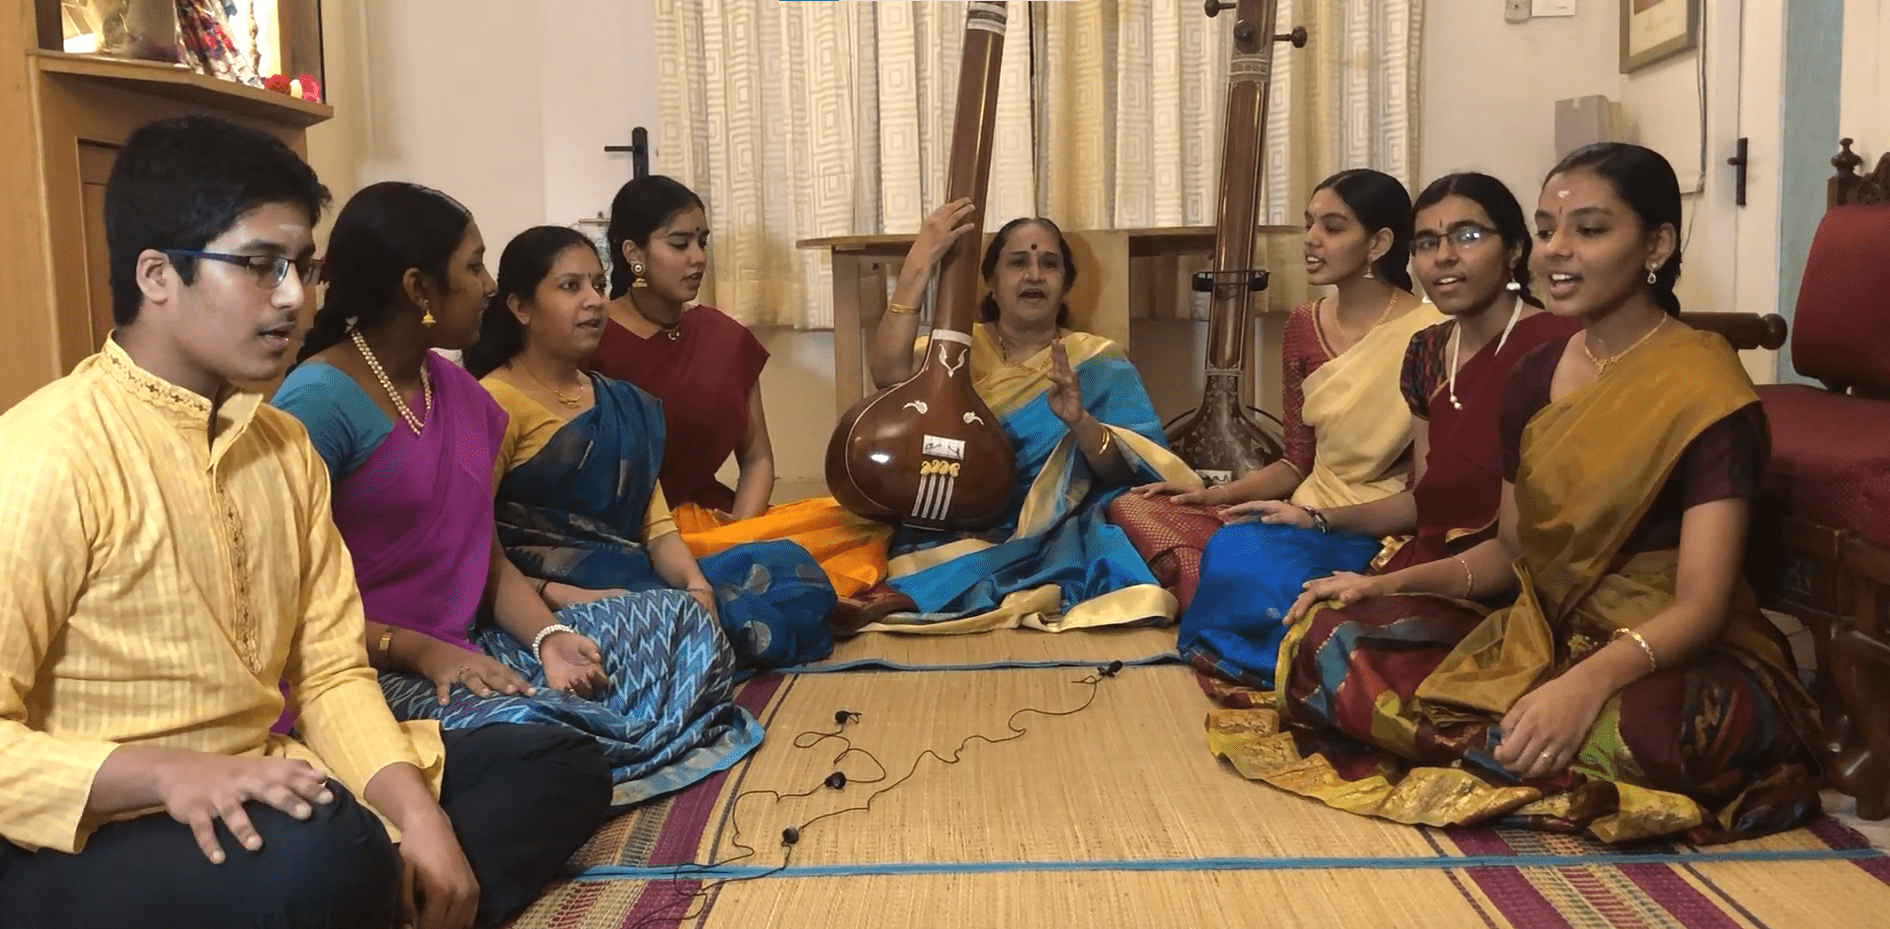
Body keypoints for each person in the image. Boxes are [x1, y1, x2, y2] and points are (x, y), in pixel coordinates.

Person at [0, 116, 613, 929]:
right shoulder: (40, 458)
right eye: (259, 266)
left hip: (267, 791)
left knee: (559, 763)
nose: (295, 299)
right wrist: (166, 772)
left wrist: (417, 817)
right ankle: (344, 922)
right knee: (325, 856)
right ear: (157, 275)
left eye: (303, 268)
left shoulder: (282, 452)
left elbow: (330, 673)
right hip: (64, 844)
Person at [1210, 144, 1820, 844]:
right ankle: (1526, 746)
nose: (1557, 250)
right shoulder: (1537, 374)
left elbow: (1703, 607)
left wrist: (1586, 683)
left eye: (1589, 230)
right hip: (1543, 629)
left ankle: (1516, 743)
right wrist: (1381, 585)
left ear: (1656, 245)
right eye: (1549, 228)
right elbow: (1508, 553)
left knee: (1645, 734)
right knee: (1331, 641)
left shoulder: (1704, 389)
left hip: (1662, 648)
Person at [274, 182, 758, 808]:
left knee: (681, 622)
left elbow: (488, 557)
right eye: (474, 267)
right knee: (534, 741)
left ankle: (591, 746)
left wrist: (548, 638)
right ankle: (588, 748)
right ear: (419, 289)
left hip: (476, 642)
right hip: (366, 670)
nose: (488, 287)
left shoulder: (456, 392)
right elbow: (281, 602)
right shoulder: (319, 401)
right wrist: (421, 652)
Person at [1177, 172, 1577, 694]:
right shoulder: (1429, 351)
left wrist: (1383, 581)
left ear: (1515, 249)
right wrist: (1315, 518)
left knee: (1335, 641)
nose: (1444, 256)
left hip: (1505, 580)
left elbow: (1527, 542)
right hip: (1422, 555)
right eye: (1427, 242)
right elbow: (1425, 499)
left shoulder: (1557, 349)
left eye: (1468, 236)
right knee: (1239, 548)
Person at [464, 225, 836, 669]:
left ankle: (694, 630)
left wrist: (697, 588)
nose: (594, 300)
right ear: (521, 308)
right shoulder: (492, 402)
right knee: (670, 619)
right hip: (547, 602)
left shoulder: (618, 399)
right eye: (571, 287)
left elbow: (656, 527)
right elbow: (473, 547)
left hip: (635, 576)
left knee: (790, 567)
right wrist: (563, 595)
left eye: (599, 285)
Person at [1111, 169, 1444, 613]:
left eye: (1332, 227)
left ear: (1378, 243)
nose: (1311, 239)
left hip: (1377, 528)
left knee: (1240, 557)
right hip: (1302, 511)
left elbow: (1428, 494)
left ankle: (1235, 590)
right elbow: (1295, 462)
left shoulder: (1434, 333)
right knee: (1134, 508)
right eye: (1309, 224)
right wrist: (1211, 495)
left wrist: (1319, 520)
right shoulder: (1304, 323)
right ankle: (1240, 588)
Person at [856, 206, 1201, 632]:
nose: (1034, 275)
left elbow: (1128, 473)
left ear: (1065, 284)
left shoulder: (1097, 361)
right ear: (992, 281)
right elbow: (888, 373)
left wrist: (1079, 421)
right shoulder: (956, 347)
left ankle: (919, 594)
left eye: (1049, 264)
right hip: (953, 512)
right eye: (1018, 262)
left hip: (1051, 523)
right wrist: (918, 265)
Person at [585, 175, 893, 602]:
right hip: (631, 538)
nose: (698, 258)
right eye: (679, 244)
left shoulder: (724, 338)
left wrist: (742, 532)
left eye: (702, 242)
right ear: (633, 253)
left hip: (715, 526)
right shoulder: (592, 339)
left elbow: (757, 457)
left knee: (861, 525)